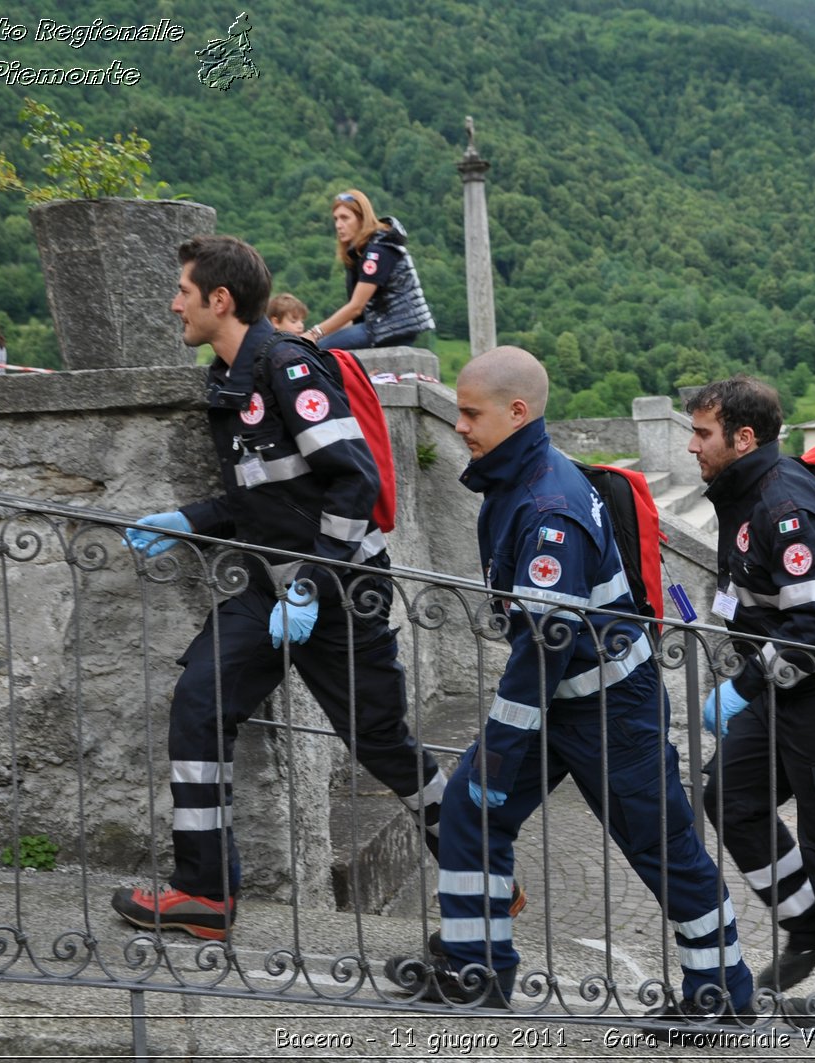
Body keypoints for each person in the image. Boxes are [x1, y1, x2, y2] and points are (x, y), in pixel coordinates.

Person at [393, 346, 753, 1034]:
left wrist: (499, 754)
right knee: (470, 813)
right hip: (569, 696)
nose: (460, 425)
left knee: (664, 847)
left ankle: (722, 994)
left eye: (471, 413)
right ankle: (477, 968)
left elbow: (543, 649)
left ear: (517, 411)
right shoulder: (521, 478)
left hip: (611, 706)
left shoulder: (547, 504)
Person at [110, 235, 446, 941]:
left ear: (220, 300)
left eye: (183, 290)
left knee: (379, 740)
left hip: (341, 589)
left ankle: (483, 867)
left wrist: (315, 582)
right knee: (199, 702)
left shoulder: (286, 366)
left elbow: (355, 479)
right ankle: (203, 892)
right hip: (269, 585)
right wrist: (189, 521)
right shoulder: (228, 379)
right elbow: (257, 498)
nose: (174, 303)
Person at [684, 375, 815, 1032]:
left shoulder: (785, 502)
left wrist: (743, 686)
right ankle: (808, 922)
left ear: (744, 437)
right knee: (731, 795)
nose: (692, 445)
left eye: (702, 433)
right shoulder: (744, 493)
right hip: (789, 688)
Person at [305, 189, 434, 351]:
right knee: (321, 345)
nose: (338, 225)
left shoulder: (378, 251)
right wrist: (321, 335)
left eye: (345, 218)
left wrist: (313, 334)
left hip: (392, 326)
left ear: (361, 219)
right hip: (378, 325)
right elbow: (357, 315)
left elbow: (356, 307)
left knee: (320, 350)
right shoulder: (361, 253)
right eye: (336, 219)